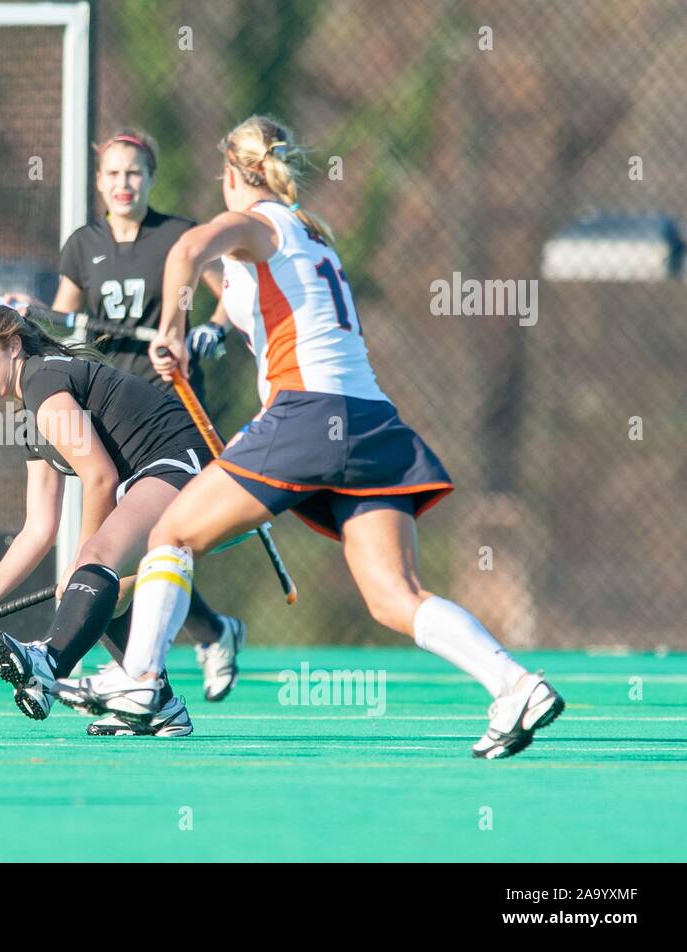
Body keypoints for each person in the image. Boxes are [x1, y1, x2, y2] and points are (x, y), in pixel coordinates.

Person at [56, 116, 564, 760]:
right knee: (393, 596)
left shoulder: (257, 221)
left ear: (237, 175)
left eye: (221, 175)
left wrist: (175, 330)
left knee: (172, 534)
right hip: (372, 420)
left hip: (306, 412)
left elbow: (186, 252)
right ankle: (515, 684)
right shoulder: (314, 234)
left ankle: (142, 683)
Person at [6, 127, 247, 702]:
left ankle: (146, 672)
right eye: (112, 174)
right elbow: (62, 329)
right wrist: (29, 315)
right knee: (127, 550)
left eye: (133, 173)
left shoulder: (178, 238)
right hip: (102, 414)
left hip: (166, 414)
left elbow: (230, 297)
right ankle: (176, 656)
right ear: (98, 181)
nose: (123, 184)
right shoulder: (82, 245)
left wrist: (211, 331)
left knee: (139, 545)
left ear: (151, 179)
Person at [0, 305, 213, 737]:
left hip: (185, 466)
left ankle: (48, 663)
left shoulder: (42, 381)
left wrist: (83, 566)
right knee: (104, 597)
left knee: (94, 567)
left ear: (13, 345)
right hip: (148, 483)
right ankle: (156, 703)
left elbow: (100, 477)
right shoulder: (30, 419)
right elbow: (39, 527)